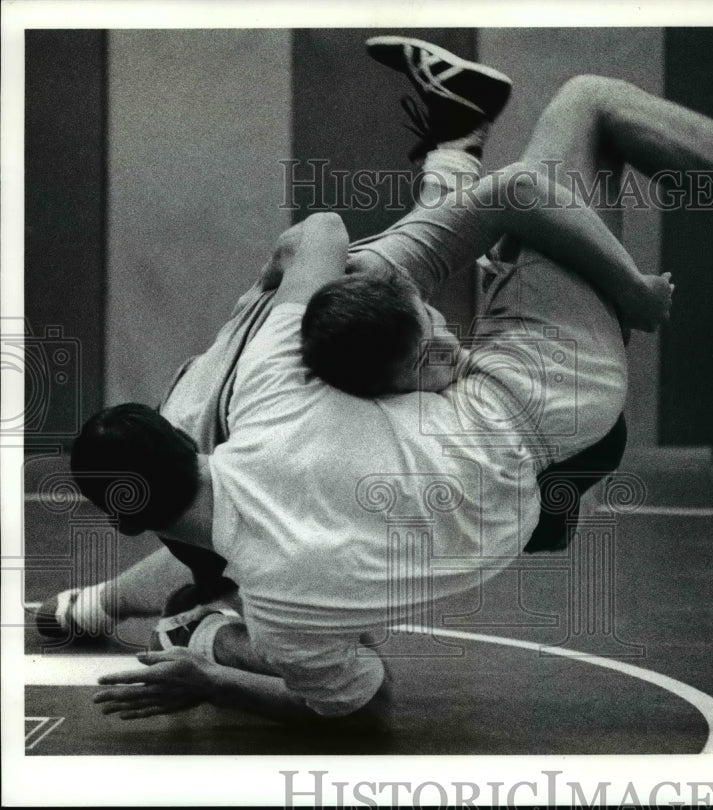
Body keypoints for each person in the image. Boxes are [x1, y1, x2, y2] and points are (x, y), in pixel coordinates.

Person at [83, 37, 713, 724]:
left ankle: (455, 145)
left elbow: (341, 687)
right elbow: (339, 229)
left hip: (533, 485)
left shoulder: (278, 587)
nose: (441, 340)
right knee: (583, 109)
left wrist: (145, 630)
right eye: (422, 347)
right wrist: (627, 287)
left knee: (486, 238)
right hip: (541, 403)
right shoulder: (275, 390)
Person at [35, 38, 636, 642]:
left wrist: (631, 290)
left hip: (469, 421)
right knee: (428, 260)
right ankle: (458, 141)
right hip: (462, 426)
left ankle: (460, 142)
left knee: (429, 256)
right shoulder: (263, 437)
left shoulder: (275, 408)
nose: (448, 345)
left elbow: (487, 207)